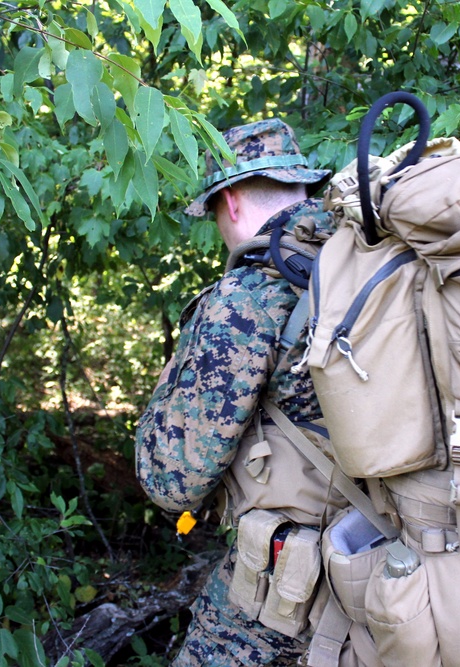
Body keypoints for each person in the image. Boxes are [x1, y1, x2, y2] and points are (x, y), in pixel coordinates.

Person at [135, 119, 349, 666]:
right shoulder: (360, 264)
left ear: (229, 202)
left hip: (300, 580)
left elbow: (173, 481)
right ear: (302, 188)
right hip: (406, 554)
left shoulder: (249, 296)